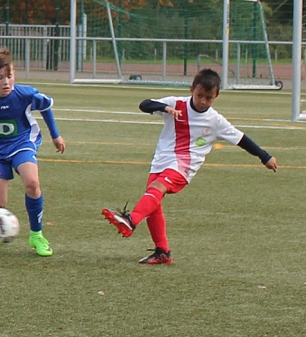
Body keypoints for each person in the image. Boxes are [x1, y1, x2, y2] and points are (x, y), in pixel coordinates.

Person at [101, 68, 278, 265]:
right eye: (200, 95)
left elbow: (242, 139)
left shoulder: (215, 121)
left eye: (209, 98)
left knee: (156, 189)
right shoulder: (176, 103)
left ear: (216, 96)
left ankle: (131, 221)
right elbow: (144, 104)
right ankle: (162, 251)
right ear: (192, 89)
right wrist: (165, 109)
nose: (203, 101)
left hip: (184, 166)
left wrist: (265, 157)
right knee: (153, 203)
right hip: (161, 161)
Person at [0, 48, 65, 256]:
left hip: (22, 144)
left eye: (9, 76)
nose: (6, 82)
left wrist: (55, 135)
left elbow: (45, 106)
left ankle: (36, 235)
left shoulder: (25, 94)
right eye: (0, 78)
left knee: (32, 183)